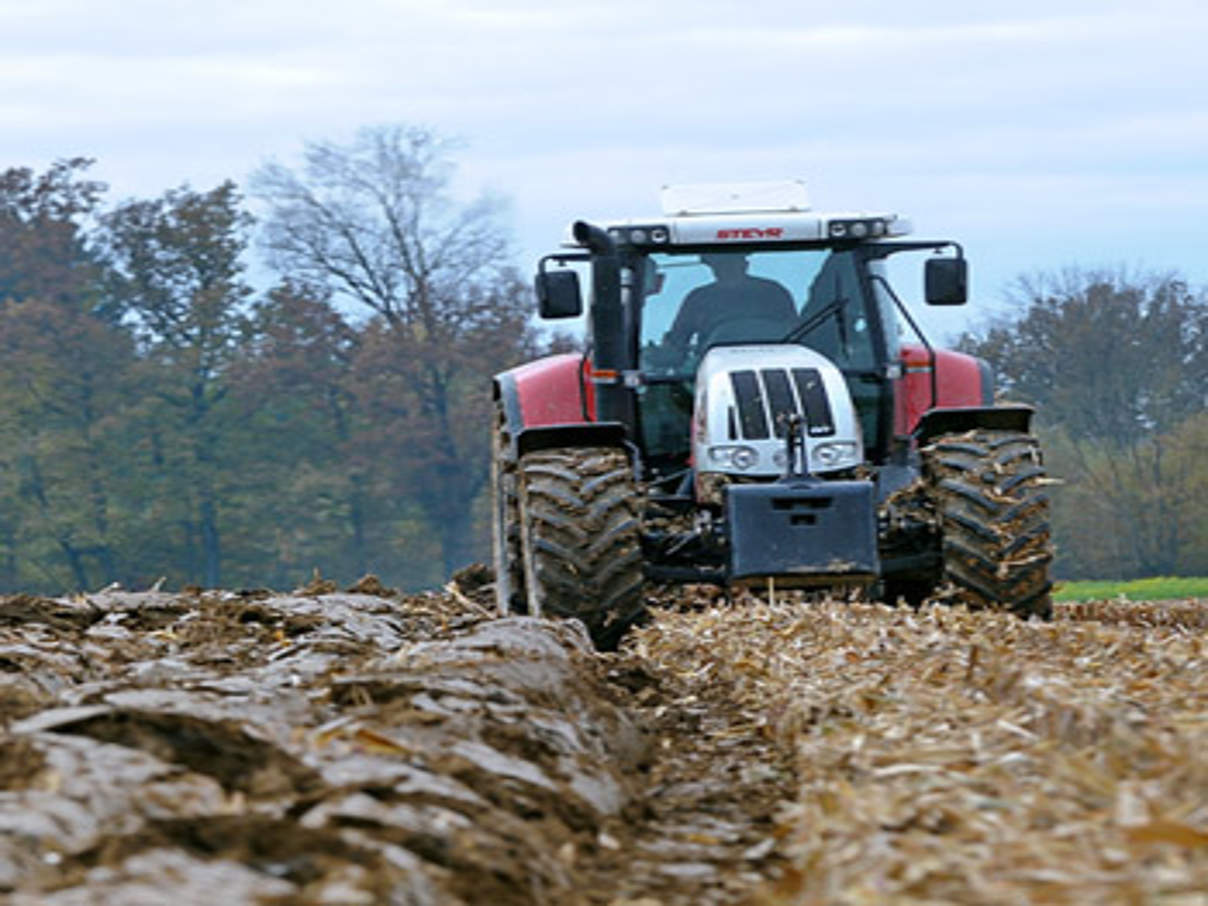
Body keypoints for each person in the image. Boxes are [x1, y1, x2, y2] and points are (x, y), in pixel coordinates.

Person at [663, 253, 797, 352]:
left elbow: (796, 330)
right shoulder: (698, 298)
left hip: (775, 357)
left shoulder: (773, 292)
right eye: (721, 264)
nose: (727, 268)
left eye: (731, 263)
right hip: (712, 366)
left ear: (744, 264)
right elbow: (678, 340)